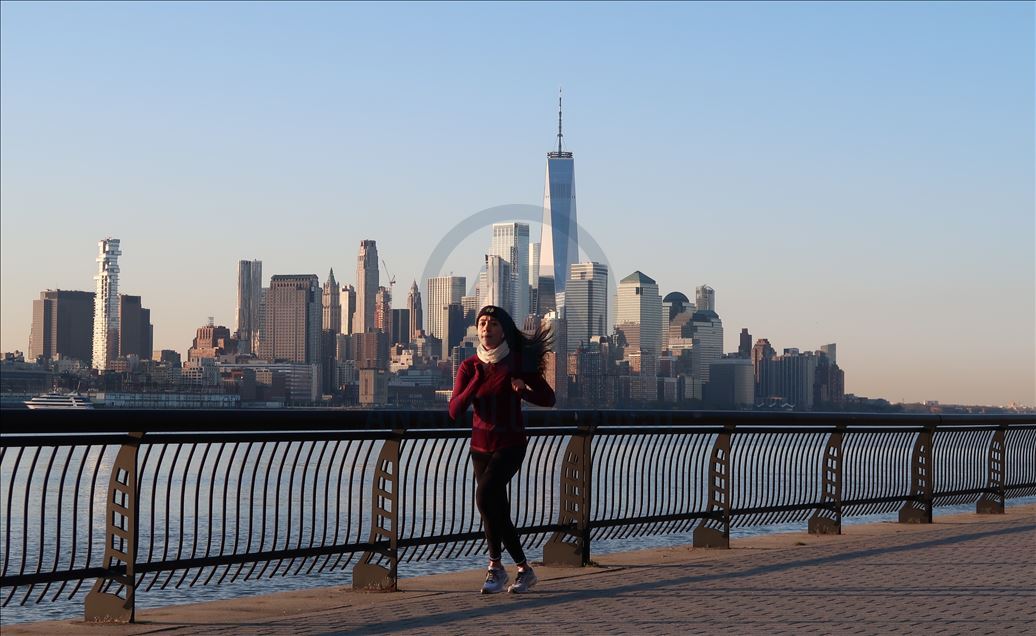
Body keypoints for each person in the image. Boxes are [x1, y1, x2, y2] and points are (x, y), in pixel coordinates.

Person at [448, 305, 555, 594]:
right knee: (498, 509)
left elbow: (549, 398)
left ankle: (494, 566)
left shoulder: (517, 362)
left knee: (484, 496)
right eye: (482, 323)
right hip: (479, 446)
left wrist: (523, 390)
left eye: (493, 324)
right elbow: (455, 410)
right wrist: (474, 383)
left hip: (510, 444)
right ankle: (524, 569)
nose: (486, 328)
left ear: (503, 330)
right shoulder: (469, 366)